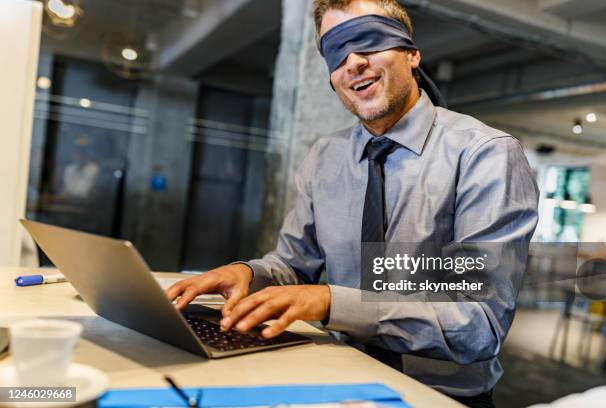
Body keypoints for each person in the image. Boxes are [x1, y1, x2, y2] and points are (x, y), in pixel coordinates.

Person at [167, 0, 539, 406]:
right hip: (334, 376)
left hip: (436, 396)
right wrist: (247, 274)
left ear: (412, 54)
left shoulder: (485, 155)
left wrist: (330, 301)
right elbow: (292, 265)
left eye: (367, 41)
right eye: (336, 52)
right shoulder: (324, 158)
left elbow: (479, 323)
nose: (353, 63)